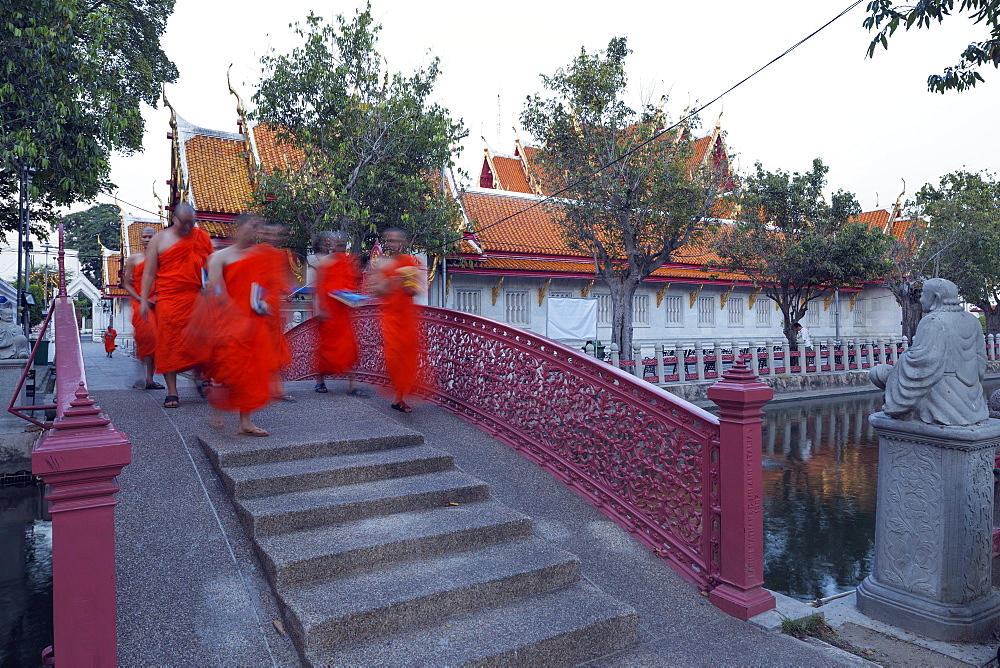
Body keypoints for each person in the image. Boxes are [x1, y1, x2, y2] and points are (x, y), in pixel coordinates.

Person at [203, 212, 284, 436]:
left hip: (254, 321)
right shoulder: (219, 257)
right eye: (252, 225)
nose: (255, 230)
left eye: (258, 226)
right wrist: (235, 315)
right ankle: (217, 405)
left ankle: (245, 421)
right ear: (237, 228)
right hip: (228, 322)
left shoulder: (259, 256)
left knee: (250, 372)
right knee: (229, 369)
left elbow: (269, 287)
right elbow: (216, 290)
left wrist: (266, 303)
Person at [870, 277, 988, 425]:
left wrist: (901, 362)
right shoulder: (973, 321)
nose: (920, 299)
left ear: (935, 298)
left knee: (878, 373)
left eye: (923, 294)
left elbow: (923, 363)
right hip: (973, 398)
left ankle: (910, 410)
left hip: (942, 396)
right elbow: (981, 362)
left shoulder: (933, 321)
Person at [140, 202, 214, 408]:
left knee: (201, 340)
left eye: (192, 224)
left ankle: (201, 377)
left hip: (195, 297)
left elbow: (212, 265)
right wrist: (144, 299)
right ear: (174, 219)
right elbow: (149, 272)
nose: (188, 228)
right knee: (169, 345)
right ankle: (172, 392)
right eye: (184, 224)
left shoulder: (201, 237)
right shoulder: (160, 239)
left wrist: (214, 287)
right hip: (168, 299)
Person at [368, 227, 424, 413]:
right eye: (390, 240)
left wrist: (408, 281)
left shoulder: (410, 262)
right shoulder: (383, 265)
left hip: (406, 317)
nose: (394, 244)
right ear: (386, 243)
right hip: (390, 318)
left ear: (405, 242)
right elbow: (376, 291)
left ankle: (399, 398)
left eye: (398, 240)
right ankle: (395, 394)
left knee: (407, 359)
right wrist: (394, 280)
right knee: (394, 359)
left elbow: (414, 291)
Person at [314, 232, 364, 395]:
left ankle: (352, 384)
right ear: (331, 245)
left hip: (344, 310)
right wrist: (321, 309)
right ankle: (320, 380)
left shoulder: (348, 262)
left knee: (349, 347)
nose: (340, 244)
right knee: (327, 349)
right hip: (329, 311)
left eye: (343, 241)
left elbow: (352, 283)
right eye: (337, 242)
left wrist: (354, 298)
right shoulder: (325, 263)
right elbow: (320, 288)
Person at [122, 226, 164, 389]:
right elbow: (126, 284)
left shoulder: (162, 259)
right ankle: (144, 375)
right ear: (140, 239)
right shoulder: (134, 259)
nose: (147, 240)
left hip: (158, 302)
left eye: (150, 237)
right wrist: (141, 299)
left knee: (156, 340)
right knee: (146, 336)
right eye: (144, 237)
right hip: (139, 301)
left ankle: (149, 378)